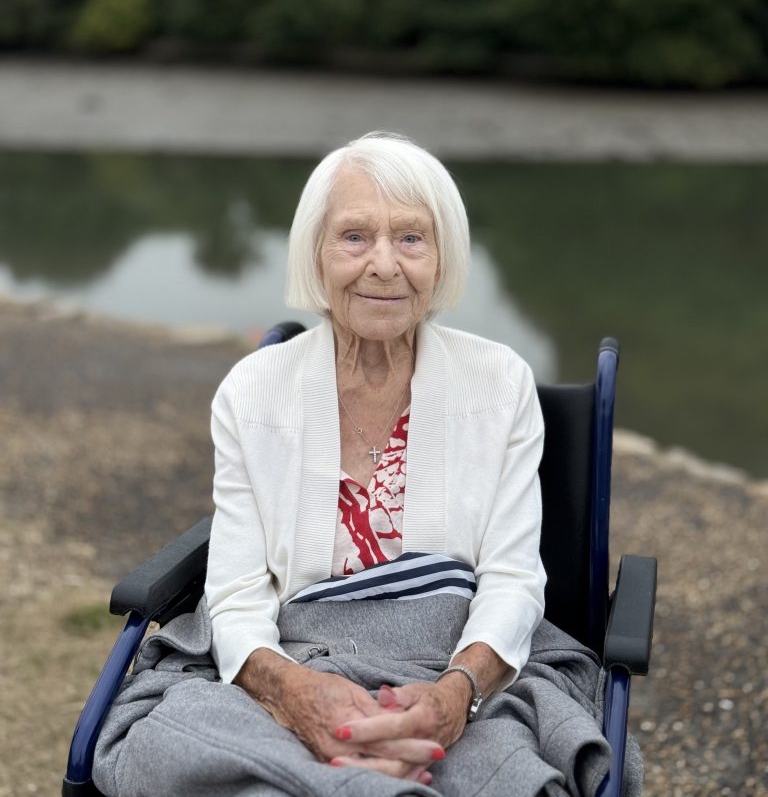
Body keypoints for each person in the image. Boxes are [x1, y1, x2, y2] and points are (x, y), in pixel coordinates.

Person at [93, 132, 631, 797]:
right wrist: (293, 693)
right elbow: (233, 592)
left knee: (524, 757)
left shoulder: (499, 383)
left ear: (442, 258)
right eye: (354, 237)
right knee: (161, 740)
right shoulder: (253, 390)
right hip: (295, 657)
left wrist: (454, 696)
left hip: (453, 657)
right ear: (314, 254)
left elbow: (514, 578)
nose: (384, 264)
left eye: (411, 238)